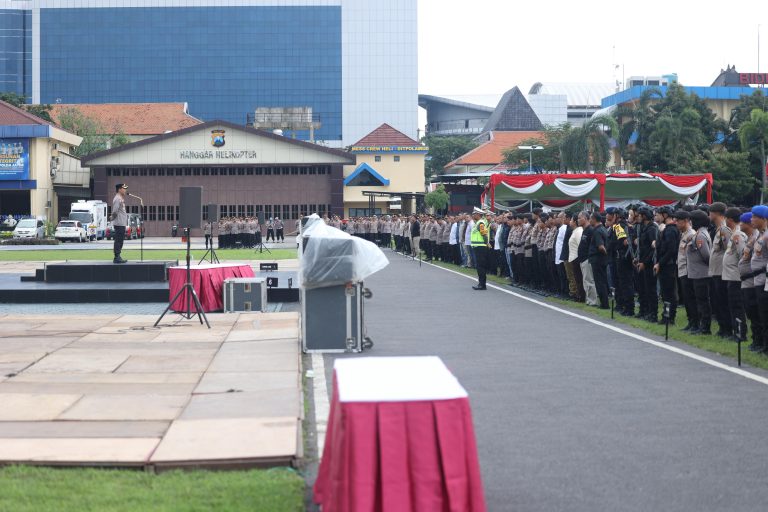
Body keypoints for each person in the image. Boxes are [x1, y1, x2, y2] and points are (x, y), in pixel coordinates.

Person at [722, 207, 747, 341]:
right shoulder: (734, 233)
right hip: (731, 276)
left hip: (736, 276)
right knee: (733, 305)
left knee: (737, 306)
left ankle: (740, 333)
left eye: (726, 218)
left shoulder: (738, 235)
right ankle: (736, 332)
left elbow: (743, 255)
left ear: (730, 219)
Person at [708, 203, 732, 337]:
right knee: (718, 300)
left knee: (723, 301)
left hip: (722, 271)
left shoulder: (724, 230)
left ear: (716, 213)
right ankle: (723, 328)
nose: (709, 215)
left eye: (710, 212)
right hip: (716, 271)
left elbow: (729, 249)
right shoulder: (719, 229)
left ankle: (727, 329)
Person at [687, 210, 712, 335]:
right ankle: (703, 326)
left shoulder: (700, 235)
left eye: (692, 220)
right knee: (701, 300)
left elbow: (706, 255)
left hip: (701, 273)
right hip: (698, 272)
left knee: (702, 301)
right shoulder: (700, 233)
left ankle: (705, 327)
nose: (690, 222)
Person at [654, 206, 680, 324]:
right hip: (665, 264)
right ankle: (666, 316)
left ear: (664, 215)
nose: (656, 216)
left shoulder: (670, 230)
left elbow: (671, 250)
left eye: (658, 214)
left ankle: (669, 317)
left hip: (668, 265)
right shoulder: (667, 229)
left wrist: (660, 263)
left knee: (669, 293)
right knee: (665, 293)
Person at [675, 210, 699, 331]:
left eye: (678, 221)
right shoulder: (683, 234)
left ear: (685, 221)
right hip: (683, 269)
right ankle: (691, 322)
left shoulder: (691, 234)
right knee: (687, 299)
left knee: (691, 298)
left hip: (689, 270)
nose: (676, 224)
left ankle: (695, 323)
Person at [588, 212, 610, 309]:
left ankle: (604, 304)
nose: (589, 220)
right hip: (602, 260)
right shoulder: (603, 229)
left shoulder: (597, 231)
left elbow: (601, 246)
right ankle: (605, 303)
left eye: (590, 219)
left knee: (599, 282)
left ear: (594, 219)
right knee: (603, 281)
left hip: (597, 259)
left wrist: (606, 254)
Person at [470, 207, 490, 290]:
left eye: (474, 214)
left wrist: (486, 243)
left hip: (481, 247)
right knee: (479, 266)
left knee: (480, 266)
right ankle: (481, 283)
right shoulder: (477, 223)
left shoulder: (480, 223)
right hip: (477, 247)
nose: (473, 215)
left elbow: (484, 235)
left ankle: (482, 284)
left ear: (478, 214)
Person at [110, 183, 129, 264]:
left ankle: (118, 256)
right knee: (118, 240)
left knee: (120, 240)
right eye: (124, 188)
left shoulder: (120, 198)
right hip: (118, 223)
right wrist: (111, 218)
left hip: (121, 223)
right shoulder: (117, 198)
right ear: (119, 189)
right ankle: (116, 257)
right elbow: (115, 211)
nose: (125, 190)